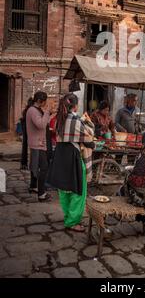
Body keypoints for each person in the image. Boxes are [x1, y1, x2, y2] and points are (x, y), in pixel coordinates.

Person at [47, 93, 95, 232]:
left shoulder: (58, 119)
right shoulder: (75, 120)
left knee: (64, 189)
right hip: (72, 157)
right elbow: (89, 135)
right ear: (75, 106)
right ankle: (73, 222)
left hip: (60, 155)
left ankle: (68, 216)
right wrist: (87, 121)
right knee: (78, 190)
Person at [26, 91, 51, 201]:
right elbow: (41, 125)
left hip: (37, 142)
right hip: (38, 143)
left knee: (35, 165)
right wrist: (47, 112)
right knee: (44, 167)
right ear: (40, 101)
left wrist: (48, 113)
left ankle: (33, 186)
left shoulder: (34, 109)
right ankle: (41, 193)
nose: (46, 104)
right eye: (45, 102)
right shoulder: (33, 111)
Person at [20, 97, 34, 170]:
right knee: (33, 148)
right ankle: (31, 164)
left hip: (25, 130)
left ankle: (24, 163)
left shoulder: (25, 110)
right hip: (30, 130)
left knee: (24, 146)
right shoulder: (32, 110)